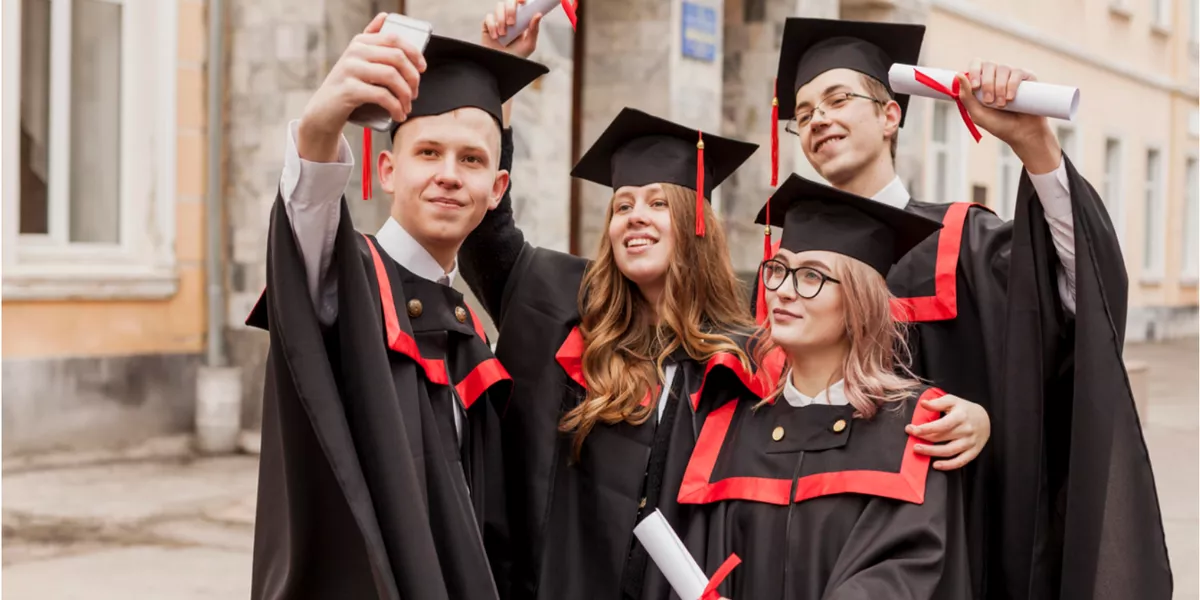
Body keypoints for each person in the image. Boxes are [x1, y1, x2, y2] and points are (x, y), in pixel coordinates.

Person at [759, 17, 1171, 598]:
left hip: (955, 545)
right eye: (803, 114)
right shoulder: (784, 276)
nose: (818, 118)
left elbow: (1082, 305)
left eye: (838, 98)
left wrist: (1034, 146)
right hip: (811, 551)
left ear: (890, 115)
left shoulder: (963, 244)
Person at [244, 14, 548, 599]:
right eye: (428, 152)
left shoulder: (470, 334)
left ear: (497, 190)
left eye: (472, 160)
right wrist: (321, 126)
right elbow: (307, 218)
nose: (448, 176)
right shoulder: (351, 281)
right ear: (387, 170)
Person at [681, 173, 971, 600]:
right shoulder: (731, 426)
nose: (783, 291)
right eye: (778, 270)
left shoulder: (914, 430)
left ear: (858, 302)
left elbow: (906, 576)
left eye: (811, 276)